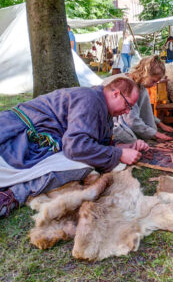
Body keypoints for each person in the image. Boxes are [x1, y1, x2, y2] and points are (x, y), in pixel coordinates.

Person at [0, 76, 149, 217]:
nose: (127, 111)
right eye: (128, 105)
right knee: (81, 166)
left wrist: (128, 146)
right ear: (116, 94)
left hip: (34, 140)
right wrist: (119, 154)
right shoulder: (90, 99)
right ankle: (14, 194)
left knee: (86, 160)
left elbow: (99, 143)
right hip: (15, 139)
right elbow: (75, 147)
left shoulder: (102, 107)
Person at [103, 56, 173, 143]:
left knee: (138, 140)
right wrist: (155, 134)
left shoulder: (141, 86)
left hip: (118, 119)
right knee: (131, 141)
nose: (154, 85)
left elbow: (145, 110)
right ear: (145, 73)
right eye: (153, 81)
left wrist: (160, 124)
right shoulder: (128, 86)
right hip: (107, 122)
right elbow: (131, 120)